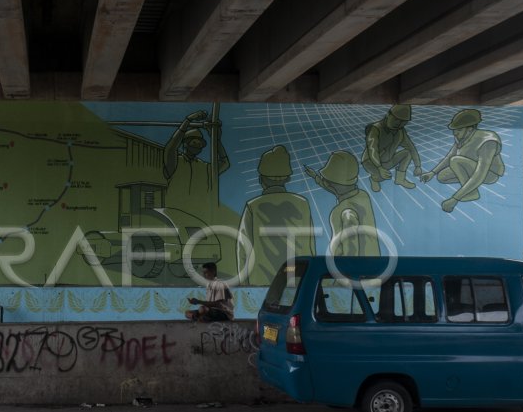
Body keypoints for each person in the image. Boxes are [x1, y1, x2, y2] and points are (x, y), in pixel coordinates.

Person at [235, 145, 315, 286]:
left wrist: (244, 284)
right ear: (288, 179)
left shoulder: (252, 206)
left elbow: (243, 247)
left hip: (260, 280)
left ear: (261, 179)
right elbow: (310, 245)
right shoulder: (303, 203)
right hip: (296, 279)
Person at [420, 109, 505, 213]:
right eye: (454, 130)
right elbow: (448, 157)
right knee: (442, 176)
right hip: (470, 168)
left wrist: (455, 199)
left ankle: (471, 193)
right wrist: (432, 173)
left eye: (459, 130)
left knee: (456, 161)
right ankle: (469, 190)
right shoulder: (462, 138)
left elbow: (480, 173)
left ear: (469, 129)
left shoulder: (488, 141)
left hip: (489, 174)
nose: (455, 133)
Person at [306, 151, 380, 257]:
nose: (326, 182)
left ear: (336, 184)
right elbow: (336, 189)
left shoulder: (344, 212)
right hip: (372, 264)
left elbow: (351, 252)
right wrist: (316, 177)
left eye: (328, 181)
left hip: (350, 270)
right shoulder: (363, 196)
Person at [162, 109, 230, 202]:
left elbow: (225, 163)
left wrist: (216, 140)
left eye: (200, 144)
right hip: (174, 211)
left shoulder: (204, 167)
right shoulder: (176, 163)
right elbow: (171, 148)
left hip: (197, 212)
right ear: (185, 144)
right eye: (194, 142)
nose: (197, 145)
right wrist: (188, 120)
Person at [361, 104, 422, 192]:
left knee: (407, 153)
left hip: (388, 160)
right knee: (382, 177)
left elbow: (411, 147)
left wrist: (418, 166)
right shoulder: (375, 128)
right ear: (388, 115)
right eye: (396, 120)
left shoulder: (401, 131)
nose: (399, 124)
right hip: (370, 162)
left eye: (403, 121)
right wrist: (379, 167)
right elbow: (372, 149)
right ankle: (374, 179)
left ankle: (400, 179)